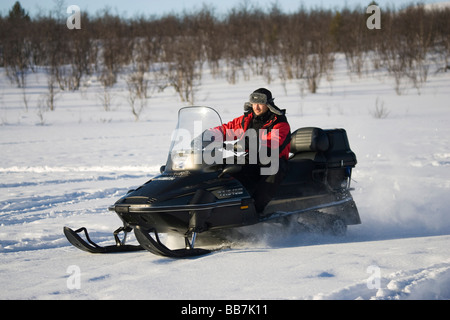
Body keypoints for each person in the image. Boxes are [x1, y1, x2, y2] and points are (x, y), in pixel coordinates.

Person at [214, 88, 291, 214]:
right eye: (254, 103)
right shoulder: (247, 119)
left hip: (272, 158)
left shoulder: (280, 122)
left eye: (260, 103)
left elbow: (273, 143)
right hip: (251, 156)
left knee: (273, 168)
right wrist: (210, 135)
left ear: (268, 104)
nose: (257, 107)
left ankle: (256, 210)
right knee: (220, 164)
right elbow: (228, 128)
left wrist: (248, 144)